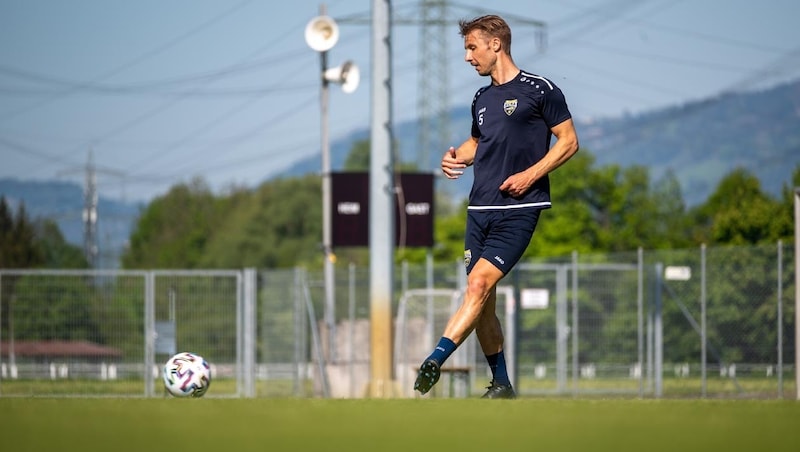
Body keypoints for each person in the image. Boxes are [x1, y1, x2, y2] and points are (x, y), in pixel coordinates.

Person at [414, 15, 579, 399]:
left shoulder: (540, 90)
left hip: (519, 208)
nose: (468, 57)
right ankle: (501, 383)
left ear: (495, 45)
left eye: (472, 47)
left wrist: (530, 175)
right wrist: (457, 156)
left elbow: (568, 141)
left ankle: (436, 358)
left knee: (478, 284)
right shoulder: (481, 99)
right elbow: (478, 142)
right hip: (479, 210)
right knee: (481, 302)